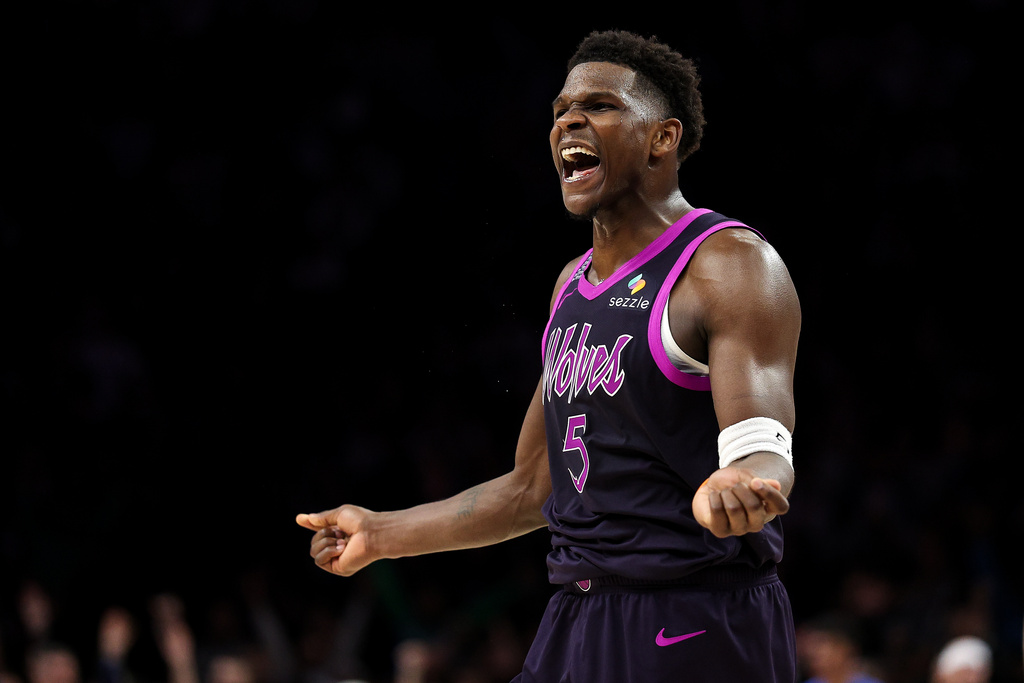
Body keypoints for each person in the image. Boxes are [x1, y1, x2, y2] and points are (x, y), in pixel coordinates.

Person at [297, 29, 801, 682]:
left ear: (663, 138)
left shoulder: (728, 264)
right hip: (577, 615)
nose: (569, 120)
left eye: (600, 105)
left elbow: (763, 444)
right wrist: (381, 533)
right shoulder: (572, 284)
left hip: (695, 611)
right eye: (561, 109)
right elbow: (532, 488)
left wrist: (746, 484)